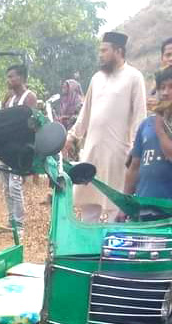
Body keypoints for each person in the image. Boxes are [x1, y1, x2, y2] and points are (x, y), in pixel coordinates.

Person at [65, 32, 147, 222]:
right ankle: (88, 250)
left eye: (104, 50)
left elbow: (139, 118)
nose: (100, 54)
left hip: (118, 155)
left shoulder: (134, 77)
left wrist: (136, 152)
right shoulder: (97, 78)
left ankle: (110, 249)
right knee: (88, 203)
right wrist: (71, 136)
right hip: (92, 152)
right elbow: (85, 113)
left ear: (118, 51)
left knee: (114, 205)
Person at [119, 66, 172, 221]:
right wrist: (125, 205)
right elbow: (134, 167)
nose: (165, 92)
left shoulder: (156, 124)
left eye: (171, 87)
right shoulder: (146, 124)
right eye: (162, 87)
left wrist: (160, 129)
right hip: (144, 208)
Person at [0, 65, 38, 234]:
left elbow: (31, 123)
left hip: (20, 148)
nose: (9, 80)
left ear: (21, 78)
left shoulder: (29, 97)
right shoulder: (9, 100)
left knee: (14, 184)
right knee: (6, 186)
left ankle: (19, 224)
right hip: (6, 147)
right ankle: (11, 221)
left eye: (11, 76)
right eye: (8, 77)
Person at [147, 38, 172, 112]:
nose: (171, 59)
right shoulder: (158, 79)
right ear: (162, 58)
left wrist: (161, 104)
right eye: (168, 55)